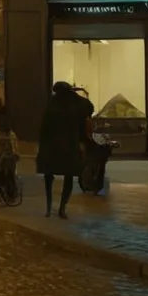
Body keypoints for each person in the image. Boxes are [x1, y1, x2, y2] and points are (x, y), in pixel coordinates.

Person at [38, 81, 88, 218]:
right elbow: (89, 107)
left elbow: (44, 126)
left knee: (49, 175)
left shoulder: (53, 103)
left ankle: (49, 207)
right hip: (68, 145)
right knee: (68, 175)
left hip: (51, 145)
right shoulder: (74, 103)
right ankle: (62, 208)